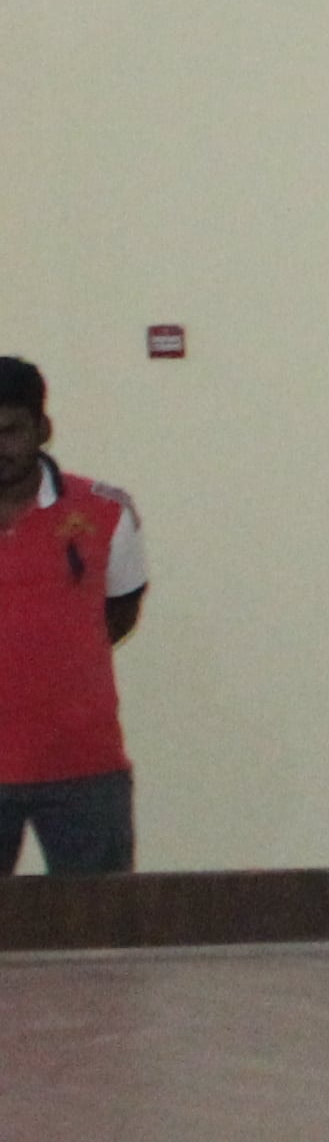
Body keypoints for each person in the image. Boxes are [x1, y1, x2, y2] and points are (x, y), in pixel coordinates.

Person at [0, 357, 148, 875]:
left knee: (99, 922)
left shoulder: (105, 511)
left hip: (83, 766)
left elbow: (121, 609)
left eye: (11, 431)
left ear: (43, 429)